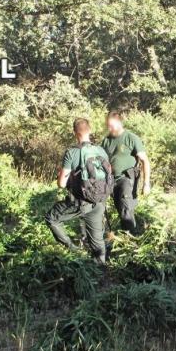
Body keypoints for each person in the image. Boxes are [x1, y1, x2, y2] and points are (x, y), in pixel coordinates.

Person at [46, 118, 111, 264]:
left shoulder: (72, 153)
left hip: (80, 203)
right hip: (99, 201)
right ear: (90, 130)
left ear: (75, 133)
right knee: (97, 241)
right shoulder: (101, 151)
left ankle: (73, 249)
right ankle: (100, 269)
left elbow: (61, 184)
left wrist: (62, 177)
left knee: (52, 218)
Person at [101, 111, 151, 233]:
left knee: (126, 211)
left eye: (112, 125)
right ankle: (129, 235)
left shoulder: (131, 138)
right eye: (108, 125)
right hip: (112, 180)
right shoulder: (106, 141)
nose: (109, 128)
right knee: (121, 210)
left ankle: (131, 241)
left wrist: (146, 184)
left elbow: (145, 161)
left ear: (119, 123)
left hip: (126, 179)